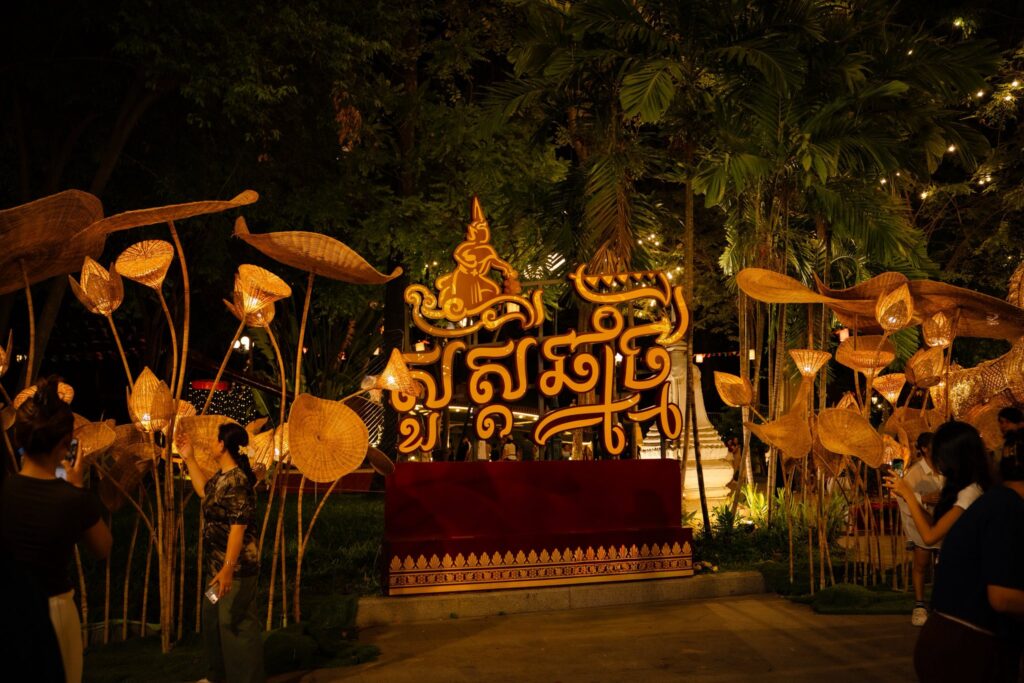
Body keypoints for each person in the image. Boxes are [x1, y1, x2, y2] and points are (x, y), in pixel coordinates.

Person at [1, 376, 112, 683]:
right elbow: (103, 548)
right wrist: (77, 487)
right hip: (55, 610)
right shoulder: (72, 499)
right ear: (66, 444)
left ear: (19, 438)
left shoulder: (4, 493)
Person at [912, 438, 1024, 681]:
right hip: (967, 648)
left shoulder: (993, 500)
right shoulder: (1005, 507)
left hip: (948, 640)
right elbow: (1001, 597)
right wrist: (909, 496)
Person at [177, 424, 265, 683]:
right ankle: (218, 676)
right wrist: (189, 458)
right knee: (212, 617)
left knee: (234, 621)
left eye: (214, 440)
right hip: (217, 570)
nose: (211, 444)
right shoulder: (222, 476)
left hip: (235, 571)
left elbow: (238, 528)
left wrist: (228, 568)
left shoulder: (237, 482)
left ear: (223, 445)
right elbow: (204, 492)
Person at [887, 421, 991, 550]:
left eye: (940, 453)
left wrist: (909, 495)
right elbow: (935, 523)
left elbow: (930, 537)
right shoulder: (957, 485)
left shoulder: (971, 492)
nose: (937, 458)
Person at [895, 432, 943, 627]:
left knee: (943, 566)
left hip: (942, 523)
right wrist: (923, 499)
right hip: (922, 523)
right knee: (921, 564)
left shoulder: (945, 467)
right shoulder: (915, 472)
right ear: (924, 448)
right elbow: (901, 494)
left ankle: (940, 604)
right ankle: (919, 605)